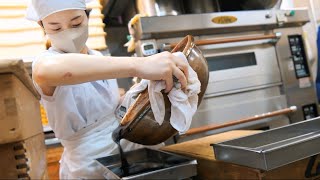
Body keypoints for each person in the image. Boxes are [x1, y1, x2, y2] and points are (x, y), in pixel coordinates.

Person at [26, 0, 189, 179]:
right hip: (88, 164)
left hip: (129, 152)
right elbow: (45, 71)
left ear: (88, 17)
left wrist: (136, 95)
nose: (69, 33)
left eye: (76, 23)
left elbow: (108, 108)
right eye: (56, 28)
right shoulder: (46, 61)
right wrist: (140, 64)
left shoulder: (98, 57)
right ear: (42, 27)